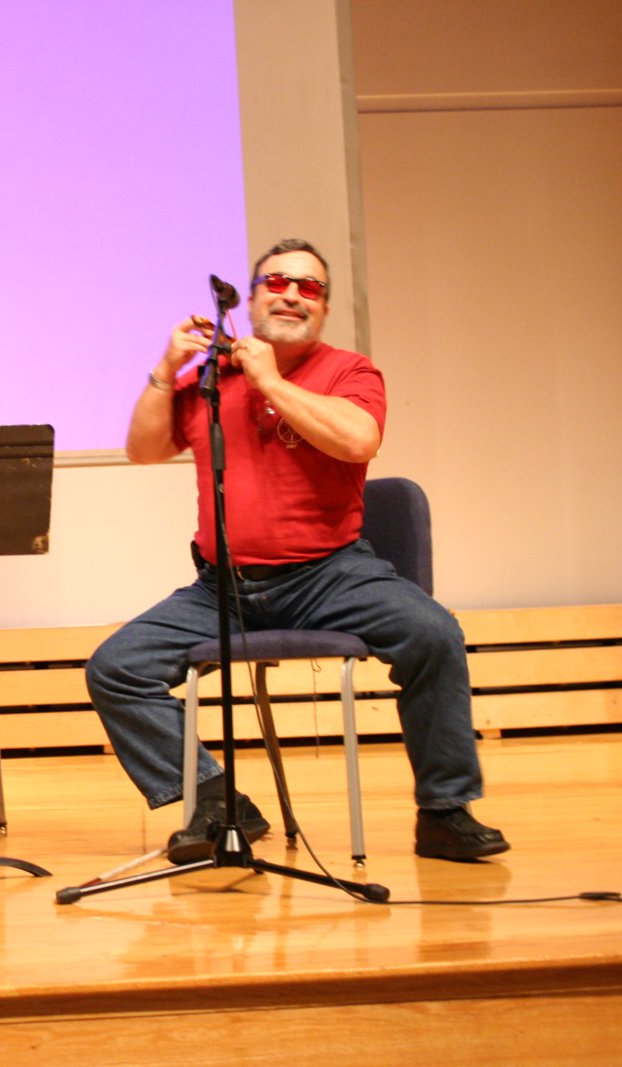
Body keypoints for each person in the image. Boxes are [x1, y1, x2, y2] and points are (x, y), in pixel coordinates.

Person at [85, 238, 509, 863]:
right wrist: (165, 368)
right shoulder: (209, 380)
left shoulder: (350, 371)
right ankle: (218, 802)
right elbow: (143, 451)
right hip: (223, 589)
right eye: (277, 283)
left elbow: (359, 441)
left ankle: (445, 812)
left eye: (309, 288)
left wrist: (269, 380)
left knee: (434, 633)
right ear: (252, 298)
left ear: (324, 308)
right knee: (115, 668)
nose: (291, 295)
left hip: (330, 575)